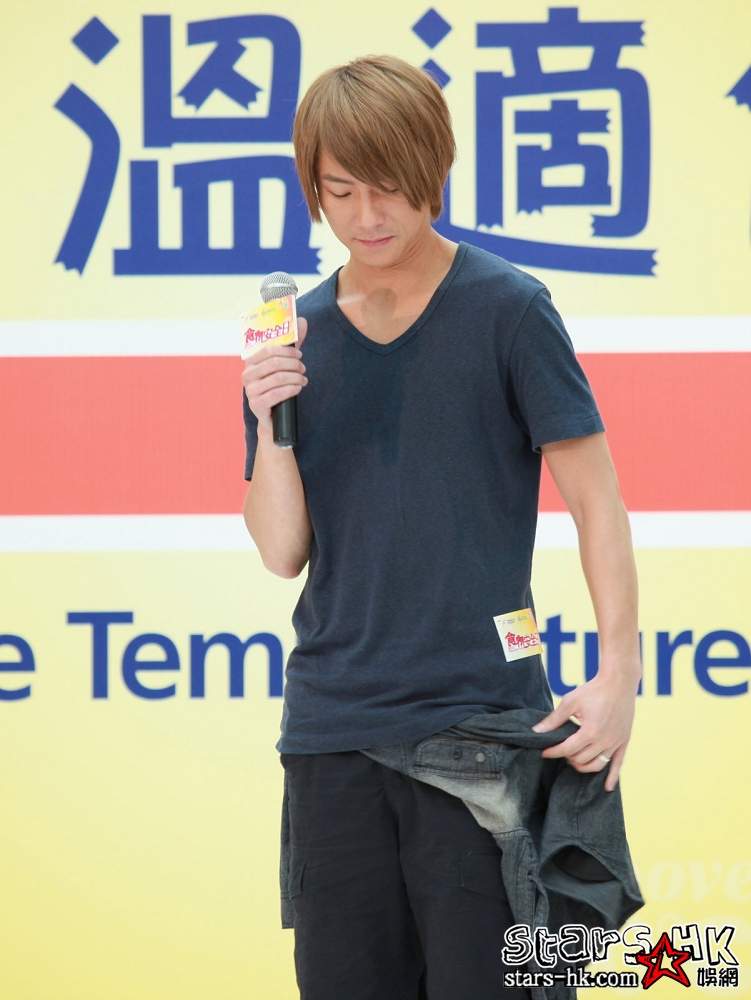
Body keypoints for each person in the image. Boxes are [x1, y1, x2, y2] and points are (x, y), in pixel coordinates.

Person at [241, 53, 642, 1000]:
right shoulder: (294, 336)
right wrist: (268, 421)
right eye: (340, 190)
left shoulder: (508, 308)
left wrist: (619, 674)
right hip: (332, 732)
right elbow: (280, 551)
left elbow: (597, 499)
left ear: (435, 170)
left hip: (482, 723)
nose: (366, 215)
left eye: (387, 187)